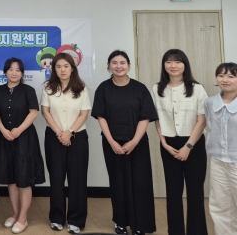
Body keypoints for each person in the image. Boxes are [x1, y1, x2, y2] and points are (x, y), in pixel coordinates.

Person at [91, 50, 158, 235]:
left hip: (138, 144)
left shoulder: (140, 88)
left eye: (122, 62)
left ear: (129, 65)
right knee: (118, 183)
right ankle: (120, 222)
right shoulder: (103, 88)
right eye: (114, 62)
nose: (118, 66)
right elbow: (101, 116)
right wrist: (112, 142)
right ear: (108, 65)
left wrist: (134, 141)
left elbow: (145, 117)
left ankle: (140, 225)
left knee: (140, 184)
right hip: (112, 144)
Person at [151, 49, 208, 235]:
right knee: (173, 192)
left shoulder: (197, 88)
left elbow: (202, 120)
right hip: (168, 145)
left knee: (195, 192)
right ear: (164, 65)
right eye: (168, 62)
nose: (173, 65)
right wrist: (164, 143)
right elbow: (157, 119)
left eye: (177, 62)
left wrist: (188, 147)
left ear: (185, 65)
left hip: (194, 144)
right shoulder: (157, 89)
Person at [41, 53, 91, 234]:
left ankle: (76, 220)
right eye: (58, 66)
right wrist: (60, 133)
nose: (62, 70)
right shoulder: (48, 87)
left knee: (77, 179)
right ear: (54, 69)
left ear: (72, 68)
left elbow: (84, 114)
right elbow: (45, 112)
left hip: (78, 137)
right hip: (54, 137)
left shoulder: (82, 88)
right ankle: (57, 218)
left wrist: (69, 132)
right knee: (56, 178)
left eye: (66, 66)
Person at [0, 57, 45, 234]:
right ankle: (15, 214)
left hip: (24, 139)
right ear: (5, 71)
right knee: (11, 178)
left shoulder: (28, 90)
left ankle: (23, 218)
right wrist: (2, 129)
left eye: (18, 70)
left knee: (24, 179)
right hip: (5, 138)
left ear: (22, 73)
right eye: (11, 69)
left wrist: (18, 130)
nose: (14, 73)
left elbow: (34, 112)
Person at [204, 62, 237, 234]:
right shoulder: (209, 103)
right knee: (221, 206)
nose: (225, 79)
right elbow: (209, 127)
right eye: (221, 75)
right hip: (217, 161)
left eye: (231, 76)